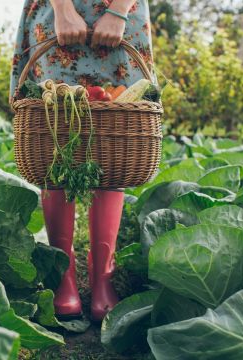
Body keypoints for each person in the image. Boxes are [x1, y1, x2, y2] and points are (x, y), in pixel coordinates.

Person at [9, 0, 154, 322]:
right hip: (58, 13)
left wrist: (117, 11)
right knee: (54, 132)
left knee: (116, 135)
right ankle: (63, 275)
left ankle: (103, 276)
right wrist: (62, 9)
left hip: (122, 14)